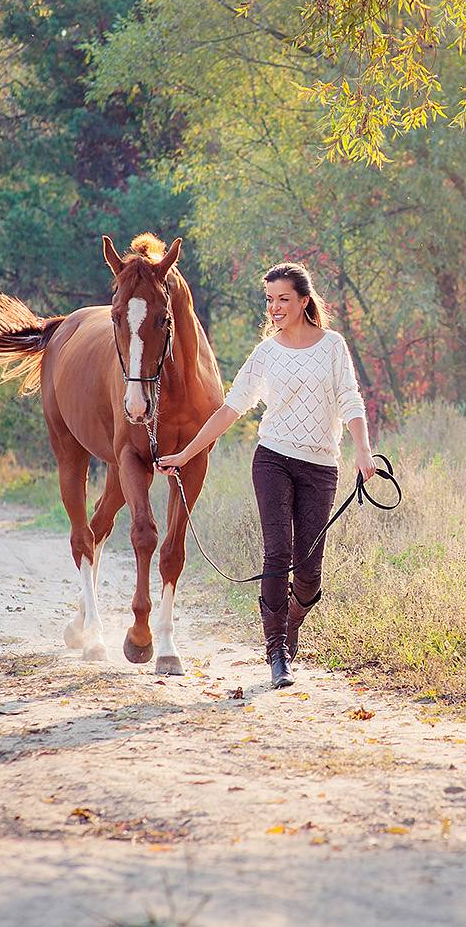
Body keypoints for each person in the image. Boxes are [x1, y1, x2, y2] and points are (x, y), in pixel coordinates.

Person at [157, 262, 375, 687]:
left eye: (284, 299)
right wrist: (185, 453)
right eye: (270, 300)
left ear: (304, 301)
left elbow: (351, 400)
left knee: (309, 572)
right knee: (277, 554)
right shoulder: (267, 353)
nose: (275, 308)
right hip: (272, 458)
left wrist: (363, 451)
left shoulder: (332, 346)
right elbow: (230, 408)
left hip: (321, 466)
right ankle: (276, 652)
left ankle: (292, 621)